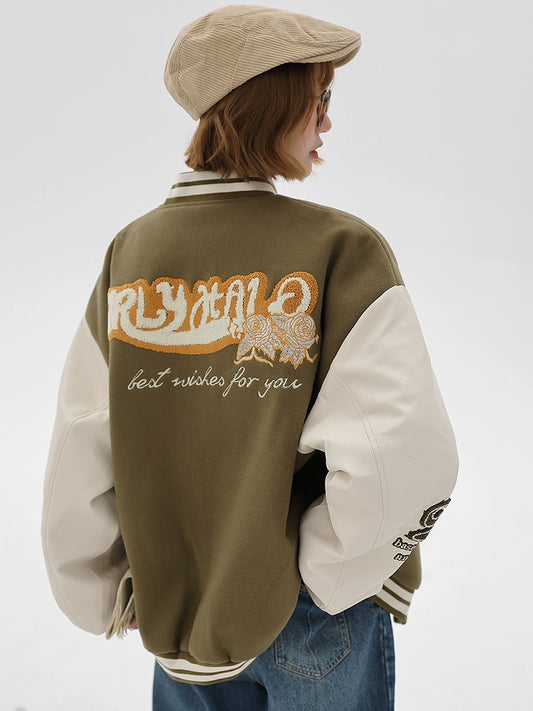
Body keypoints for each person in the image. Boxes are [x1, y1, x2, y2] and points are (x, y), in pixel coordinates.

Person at [41, 5, 459, 710]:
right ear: (271, 104)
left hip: (180, 613)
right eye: (318, 100)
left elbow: (82, 444)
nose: (327, 123)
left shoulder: (132, 254)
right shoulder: (340, 250)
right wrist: (328, 574)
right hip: (315, 616)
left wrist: (103, 586)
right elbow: (404, 450)